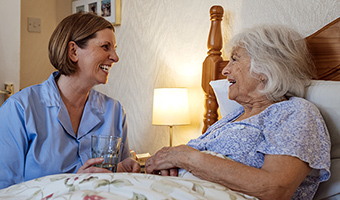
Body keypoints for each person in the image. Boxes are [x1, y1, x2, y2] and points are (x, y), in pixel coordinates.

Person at [145, 25, 331, 200]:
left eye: (234, 59)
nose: (225, 70)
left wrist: (185, 157)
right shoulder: (231, 118)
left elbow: (275, 188)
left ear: (265, 68)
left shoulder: (295, 112)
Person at [0, 12, 139, 190]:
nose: (115, 57)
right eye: (106, 47)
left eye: (114, 48)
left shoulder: (115, 111)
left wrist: (124, 171)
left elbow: (117, 186)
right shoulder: (19, 109)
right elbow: (5, 191)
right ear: (73, 51)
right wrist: (71, 184)